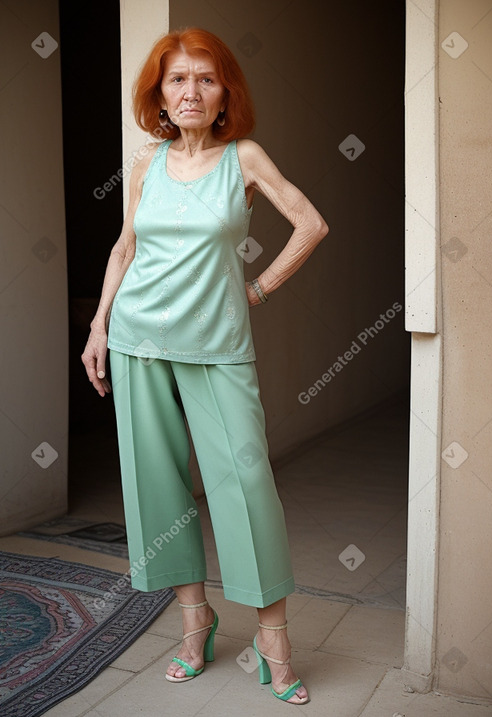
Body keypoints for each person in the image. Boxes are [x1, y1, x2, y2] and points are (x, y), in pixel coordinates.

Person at [81, 27, 328, 705]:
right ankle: (196, 625)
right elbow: (125, 248)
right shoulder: (145, 164)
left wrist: (257, 289)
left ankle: (272, 637)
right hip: (138, 341)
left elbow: (310, 222)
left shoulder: (242, 157)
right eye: (177, 79)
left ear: (226, 94)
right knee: (157, 485)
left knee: (247, 485)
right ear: (160, 93)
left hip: (218, 344)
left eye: (205, 79)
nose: (190, 91)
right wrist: (100, 324)